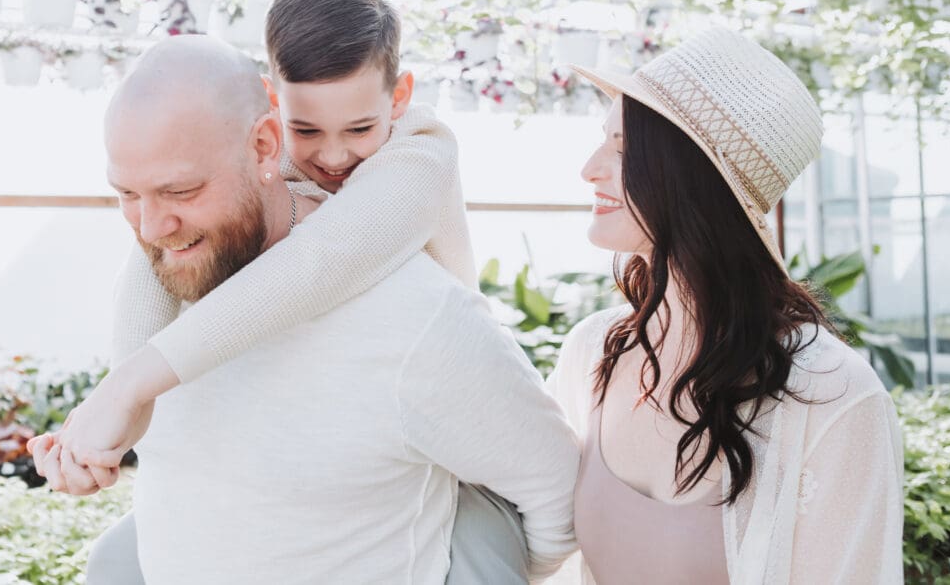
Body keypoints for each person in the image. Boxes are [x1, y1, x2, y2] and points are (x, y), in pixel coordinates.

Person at [32, 35, 579, 584]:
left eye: (181, 191)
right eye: (127, 194)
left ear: (267, 146)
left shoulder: (415, 316)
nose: (151, 227)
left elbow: (557, 495)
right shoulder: (165, 279)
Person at [547, 28, 904, 584]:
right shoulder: (595, 351)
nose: (589, 168)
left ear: (693, 177)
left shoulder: (835, 396)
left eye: (622, 149)